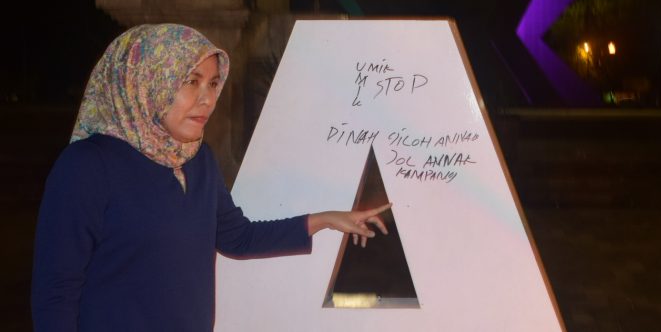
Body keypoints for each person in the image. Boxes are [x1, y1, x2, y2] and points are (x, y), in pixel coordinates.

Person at [31, 24, 391, 332]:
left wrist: (326, 219)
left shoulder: (198, 159)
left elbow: (238, 237)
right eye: (191, 81)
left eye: (213, 83)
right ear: (148, 80)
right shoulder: (87, 166)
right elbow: (55, 293)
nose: (207, 99)